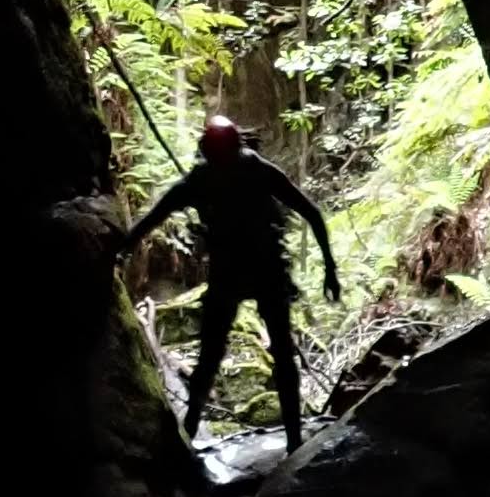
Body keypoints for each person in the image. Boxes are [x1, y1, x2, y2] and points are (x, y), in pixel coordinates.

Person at [119, 114, 340, 453]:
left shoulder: (230, 174)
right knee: (223, 352)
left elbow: (310, 211)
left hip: (255, 269)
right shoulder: (217, 178)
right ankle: (198, 428)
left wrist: (330, 269)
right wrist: (329, 268)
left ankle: (286, 439)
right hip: (245, 270)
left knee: (256, 352)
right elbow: (152, 219)